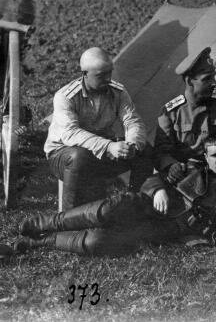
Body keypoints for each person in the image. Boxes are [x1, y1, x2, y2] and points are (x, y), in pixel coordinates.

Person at [11, 136, 216, 256]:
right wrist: (160, 189)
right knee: (106, 210)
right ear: (206, 156)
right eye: (214, 155)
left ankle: (42, 243)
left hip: (170, 228)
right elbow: (153, 178)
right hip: (149, 205)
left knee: (98, 242)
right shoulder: (190, 168)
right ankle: (44, 222)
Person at [44, 47, 151, 210]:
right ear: (84, 74)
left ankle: (135, 206)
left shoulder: (118, 92)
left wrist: (132, 144)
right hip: (64, 155)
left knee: (144, 150)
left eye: (110, 73)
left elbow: (132, 120)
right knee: (79, 156)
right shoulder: (65, 97)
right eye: (101, 75)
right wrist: (109, 146)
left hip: (100, 153)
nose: (108, 79)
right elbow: (71, 134)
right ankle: (68, 222)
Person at [153, 47, 216, 184]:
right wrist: (172, 166)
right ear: (190, 81)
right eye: (207, 79)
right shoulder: (171, 112)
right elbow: (161, 152)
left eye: (213, 76)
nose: (215, 83)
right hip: (189, 179)